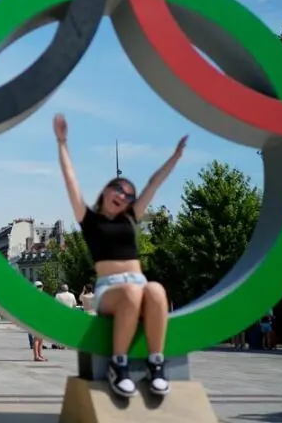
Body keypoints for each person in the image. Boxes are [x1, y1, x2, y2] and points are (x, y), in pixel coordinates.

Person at [54, 113, 186, 398]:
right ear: (105, 191)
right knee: (131, 292)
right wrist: (62, 142)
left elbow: (154, 183)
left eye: (129, 195)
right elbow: (71, 179)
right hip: (111, 290)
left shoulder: (131, 218)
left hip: (136, 283)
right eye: (119, 190)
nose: (124, 196)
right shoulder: (88, 219)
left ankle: (157, 363)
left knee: (156, 291)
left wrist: (175, 157)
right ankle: (119, 364)